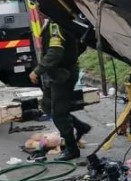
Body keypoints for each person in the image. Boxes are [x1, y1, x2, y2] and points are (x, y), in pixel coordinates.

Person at [29, 18, 91, 161]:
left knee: (59, 114)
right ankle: (80, 127)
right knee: (46, 105)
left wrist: (37, 71)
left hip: (62, 74)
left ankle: (72, 149)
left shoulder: (56, 23)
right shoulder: (58, 21)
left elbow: (55, 52)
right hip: (56, 73)